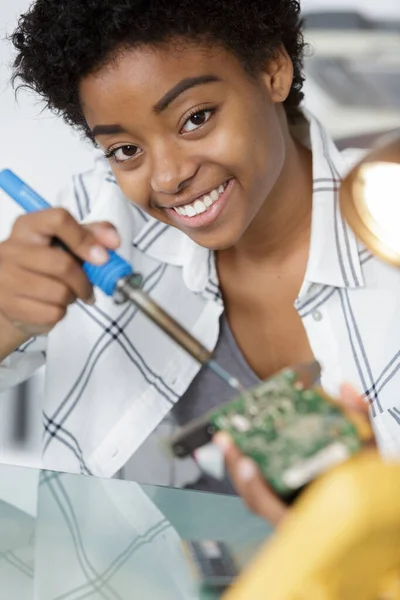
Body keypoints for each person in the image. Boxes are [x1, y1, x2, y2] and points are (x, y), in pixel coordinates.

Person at [0, 0, 399, 525]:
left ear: (272, 71)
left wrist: (378, 512)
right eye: (124, 150)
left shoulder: (386, 220)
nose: (166, 177)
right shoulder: (89, 226)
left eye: (196, 118)